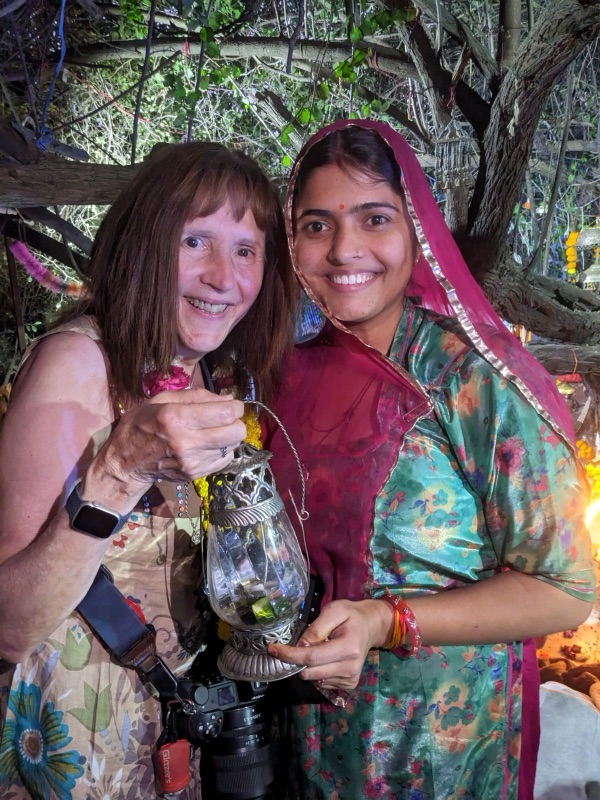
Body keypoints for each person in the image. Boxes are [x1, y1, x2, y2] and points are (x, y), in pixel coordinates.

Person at [264, 120, 596, 800]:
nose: (344, 249)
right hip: (301, 741)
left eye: (374, 219)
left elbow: (564, 588)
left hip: (440, 751)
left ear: (416, 231)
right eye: (317, 225)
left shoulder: (473, 380)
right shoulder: (281, 377)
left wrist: (387, 620)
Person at [0, 141, 295, 800]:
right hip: (71, 745)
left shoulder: (214, 376)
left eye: (246, 251)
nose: (223, 277)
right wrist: (116, 474)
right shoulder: (78, 365)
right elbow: (8, 625)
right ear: (144, 244)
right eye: (195, 241)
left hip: (160, 738)